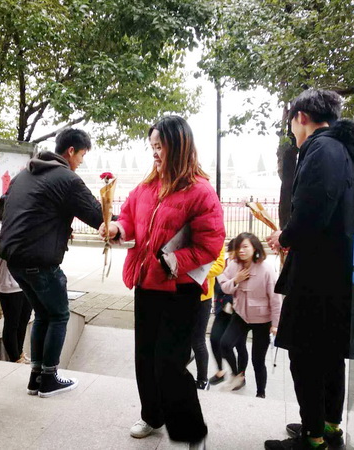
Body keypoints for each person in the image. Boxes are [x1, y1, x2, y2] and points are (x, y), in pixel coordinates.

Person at [100, 115, 225, 450]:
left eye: (160, 146)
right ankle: (152, 416)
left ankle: (191, 431)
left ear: (179, 146)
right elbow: (128, 217)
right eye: (152, 146)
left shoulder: (201, 192)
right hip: (147, 285)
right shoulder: (146, 187)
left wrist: (175, 261)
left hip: (180, 290)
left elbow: (211, 244)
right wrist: (117, 228)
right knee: (145, 358)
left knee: (169, 364)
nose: (155, 153)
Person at [265, 89, 354, 450]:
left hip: (316, 275)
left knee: (305, 354)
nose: (292, 132)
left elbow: (310, 211)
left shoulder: (320, 149)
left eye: (291, 124)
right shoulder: (344, 149)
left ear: (301, 117)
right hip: (338, 273)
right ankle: (329, 425)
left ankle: (312, 437)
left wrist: (284, 236)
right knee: (330, 352)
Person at [0, 128, 103, 398]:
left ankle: (36, 377)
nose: (81, 161)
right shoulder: (67, 179)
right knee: (58, 315)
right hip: (39, 262)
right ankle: (49, 379)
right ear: (71, 151)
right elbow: (97, 216)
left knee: (43, 314)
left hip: (14, 262)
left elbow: (9, 209)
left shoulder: (24, 175)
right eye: (81, 155)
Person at [218, 232, 281, 398]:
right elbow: (224, 286)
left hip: (262, 319)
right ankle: (238, 376)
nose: (241, 250)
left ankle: (261, 393)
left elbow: (275, 299)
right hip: (240, 315)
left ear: (255, 248)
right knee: (225, 344)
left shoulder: (266, 269)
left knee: (258, 360)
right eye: (239, 247)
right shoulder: (234, 265)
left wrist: (275, 324)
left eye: (245, 246)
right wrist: (236, 280)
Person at [0, 194, 32, 364]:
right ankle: (14, 357)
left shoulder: (19, 226)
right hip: (8, 286)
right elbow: (8, 248)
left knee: (23, 321)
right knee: (12, 323)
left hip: (25, 284)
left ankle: (19, 353)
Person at [208, 239, 248, 385]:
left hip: (239, 314)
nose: (232, 256)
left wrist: (231, 285)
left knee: (239, 345)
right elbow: (218, 287)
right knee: (214, 339)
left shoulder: (245, 267)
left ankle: (239, 375)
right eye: (230, 253)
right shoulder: (222, 266)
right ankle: (221, 371)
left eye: (234, 253)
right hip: (222, 310)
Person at [191, 247, 226, 390]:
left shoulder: (216, 239)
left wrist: (192, 271)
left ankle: (202, 380)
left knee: (198, 341)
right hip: (180, 295)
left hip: (202, 297)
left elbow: (218, 266)